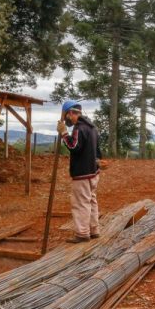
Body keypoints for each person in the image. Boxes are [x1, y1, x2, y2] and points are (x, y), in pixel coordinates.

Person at [57, 100, 102, 243]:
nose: (66, 120)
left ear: (70, 113)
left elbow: (73, 146)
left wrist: (64, 132)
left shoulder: (79, 128)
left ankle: (82, 234)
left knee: (81, 203)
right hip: (93, 172)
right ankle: (94, 230)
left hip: (82, 173)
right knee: (91, 200)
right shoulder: (92, 127)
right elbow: (98, 151)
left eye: (66, 117)